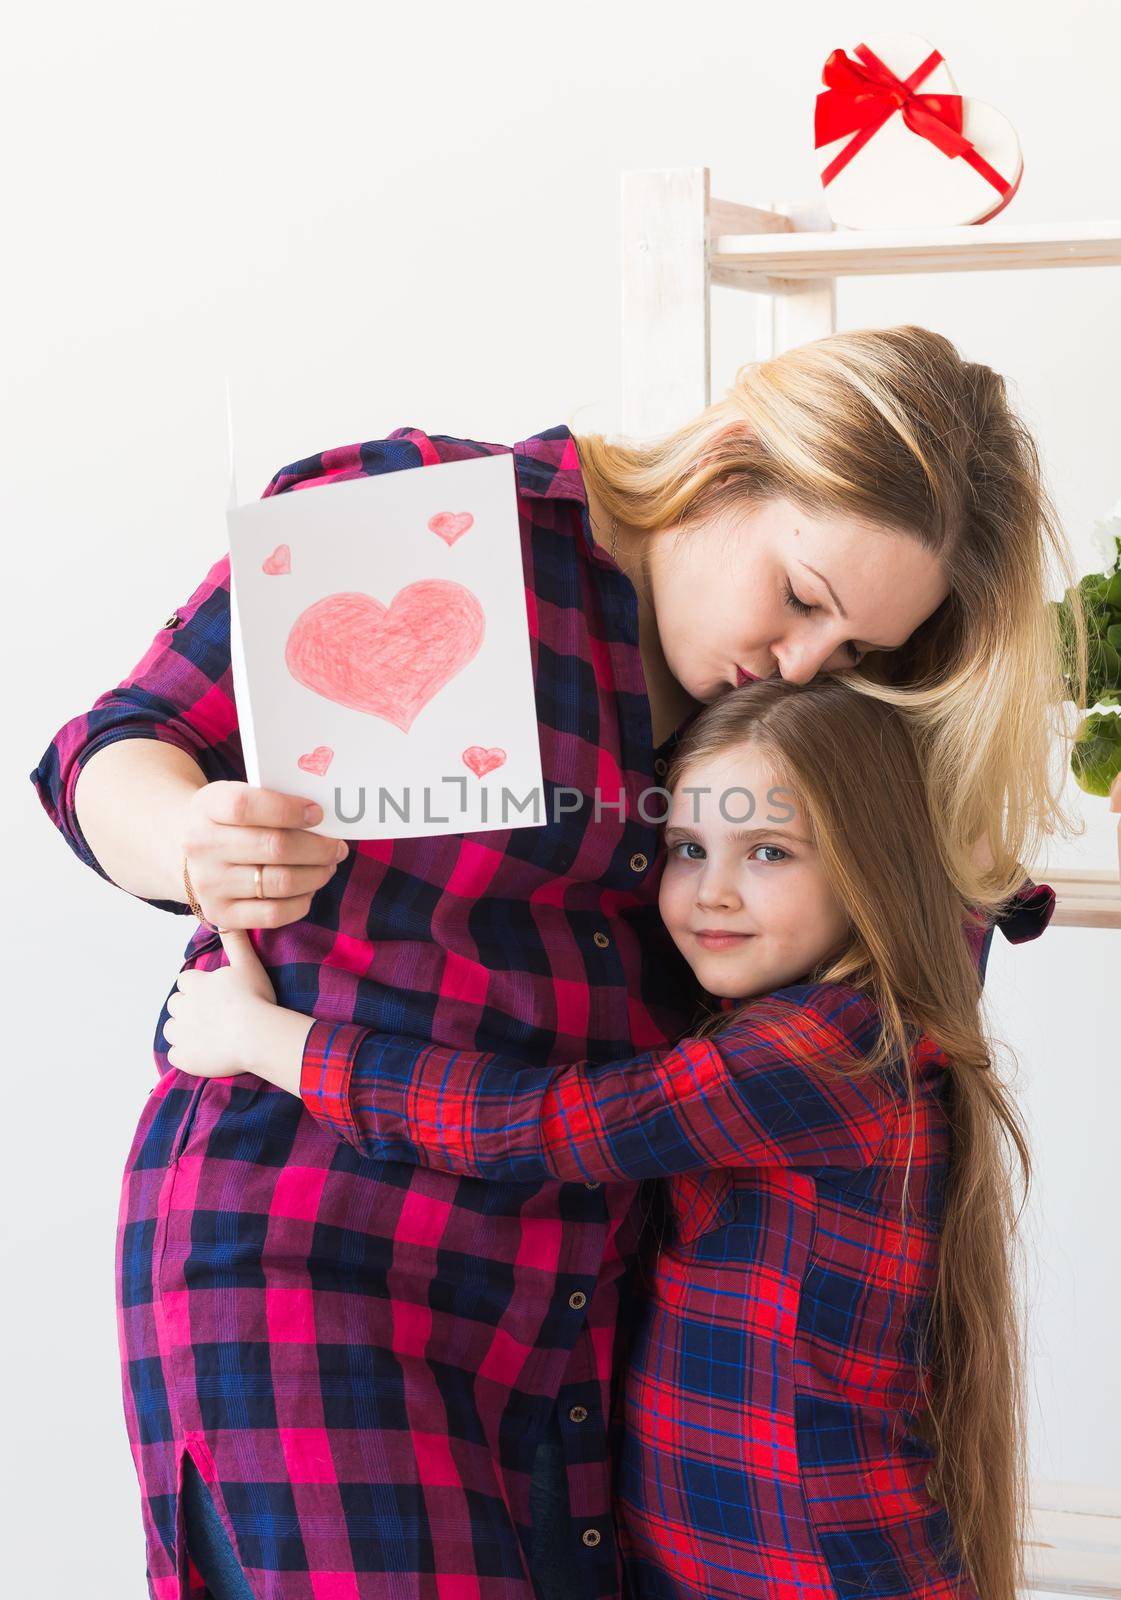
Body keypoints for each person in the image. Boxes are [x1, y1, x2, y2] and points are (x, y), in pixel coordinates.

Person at [29, 324, 1082, 1600]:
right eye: (802, 599)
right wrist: (186, 840)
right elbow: (114, 743)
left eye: (852, 651)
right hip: (315, 1255)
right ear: (730, 461)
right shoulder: (434, 528)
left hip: (582, 1323)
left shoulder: (804, 710)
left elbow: (893, 966)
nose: (805, 664)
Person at [164, 673, 1054, 1600]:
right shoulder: (772, 1015)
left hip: (827, 1570)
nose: (712, 892)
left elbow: (545, 1127)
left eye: (769, 852)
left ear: (877, 861)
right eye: (686, 847)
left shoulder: (837, 1048)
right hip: (712, 1565)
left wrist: (278, 1044)